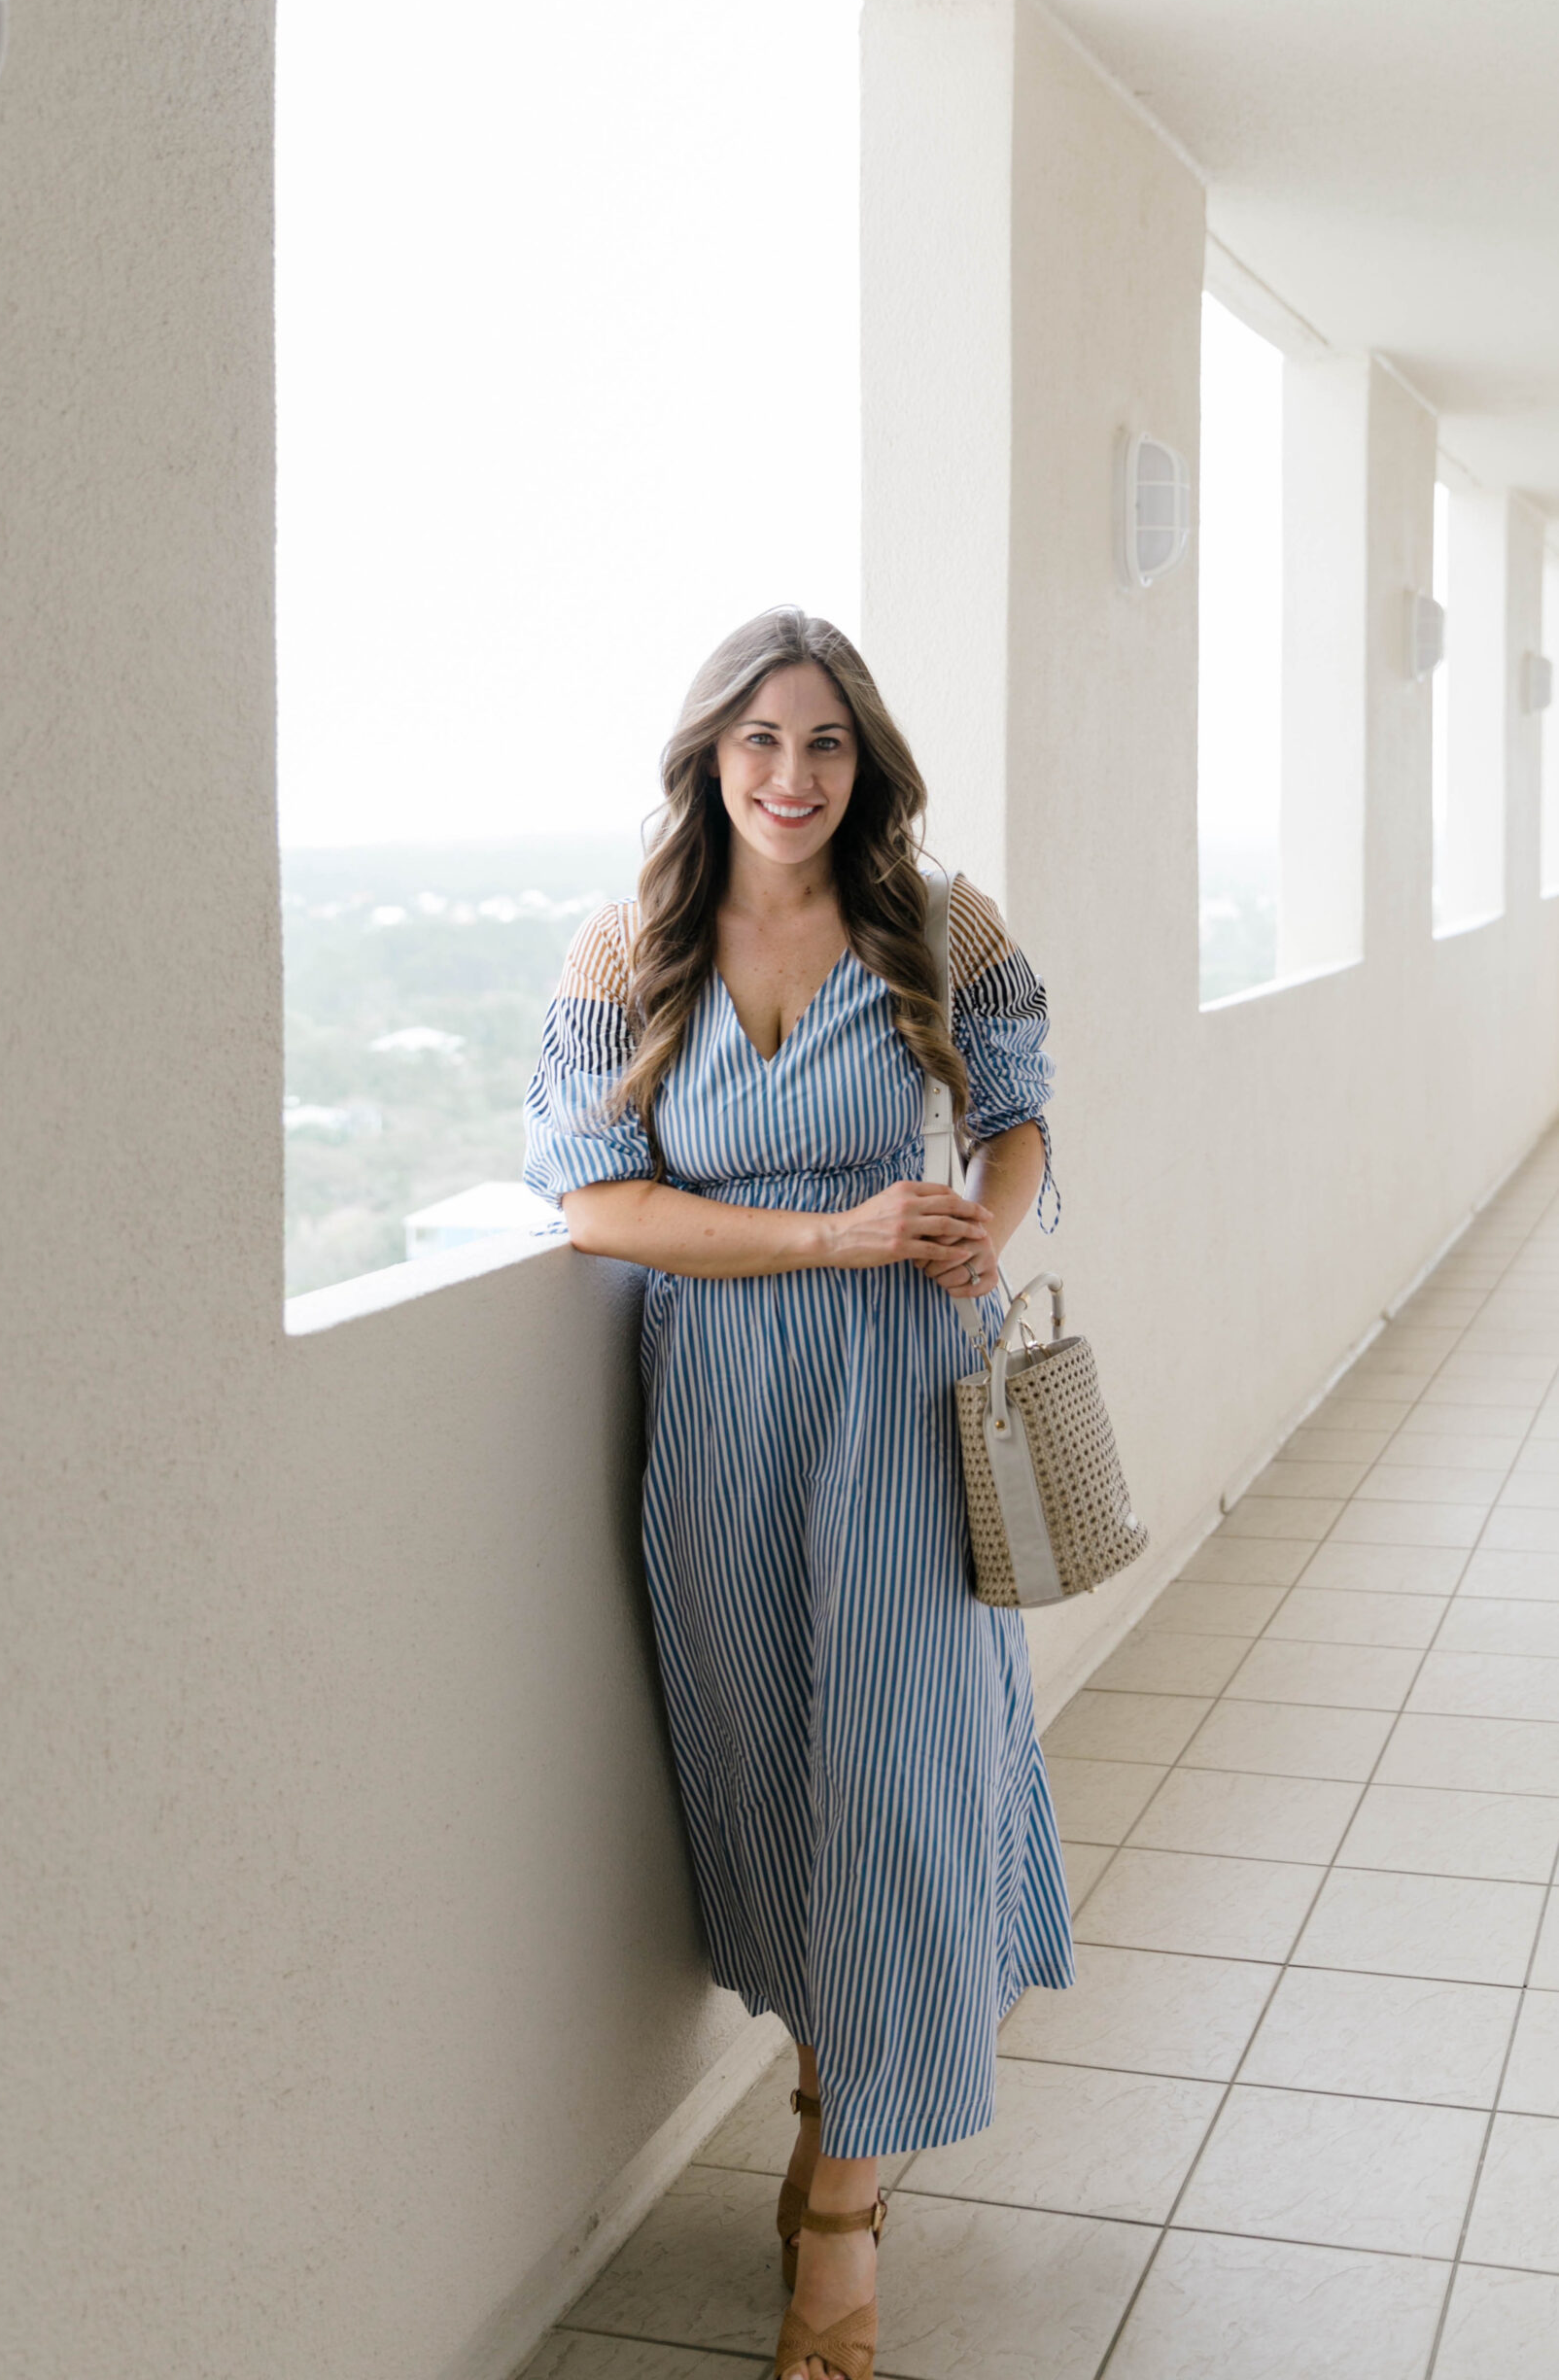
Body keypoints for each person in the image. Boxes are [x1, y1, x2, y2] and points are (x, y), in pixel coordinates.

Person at [523, 606, 1073, 2380]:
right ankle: (837, 2096)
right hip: (720, 1409)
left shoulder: (937, 918)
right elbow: (591, 1197)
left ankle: (837, 2227)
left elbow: (1022, 1108)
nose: (789, 774)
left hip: (901, 1395)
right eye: (757, 740)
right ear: (706, 756)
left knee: (906, 1786)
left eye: (823, 742)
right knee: (773, 1776)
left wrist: (976, 1228)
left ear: (865, 762)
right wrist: (825, 1230)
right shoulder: (630, 943)